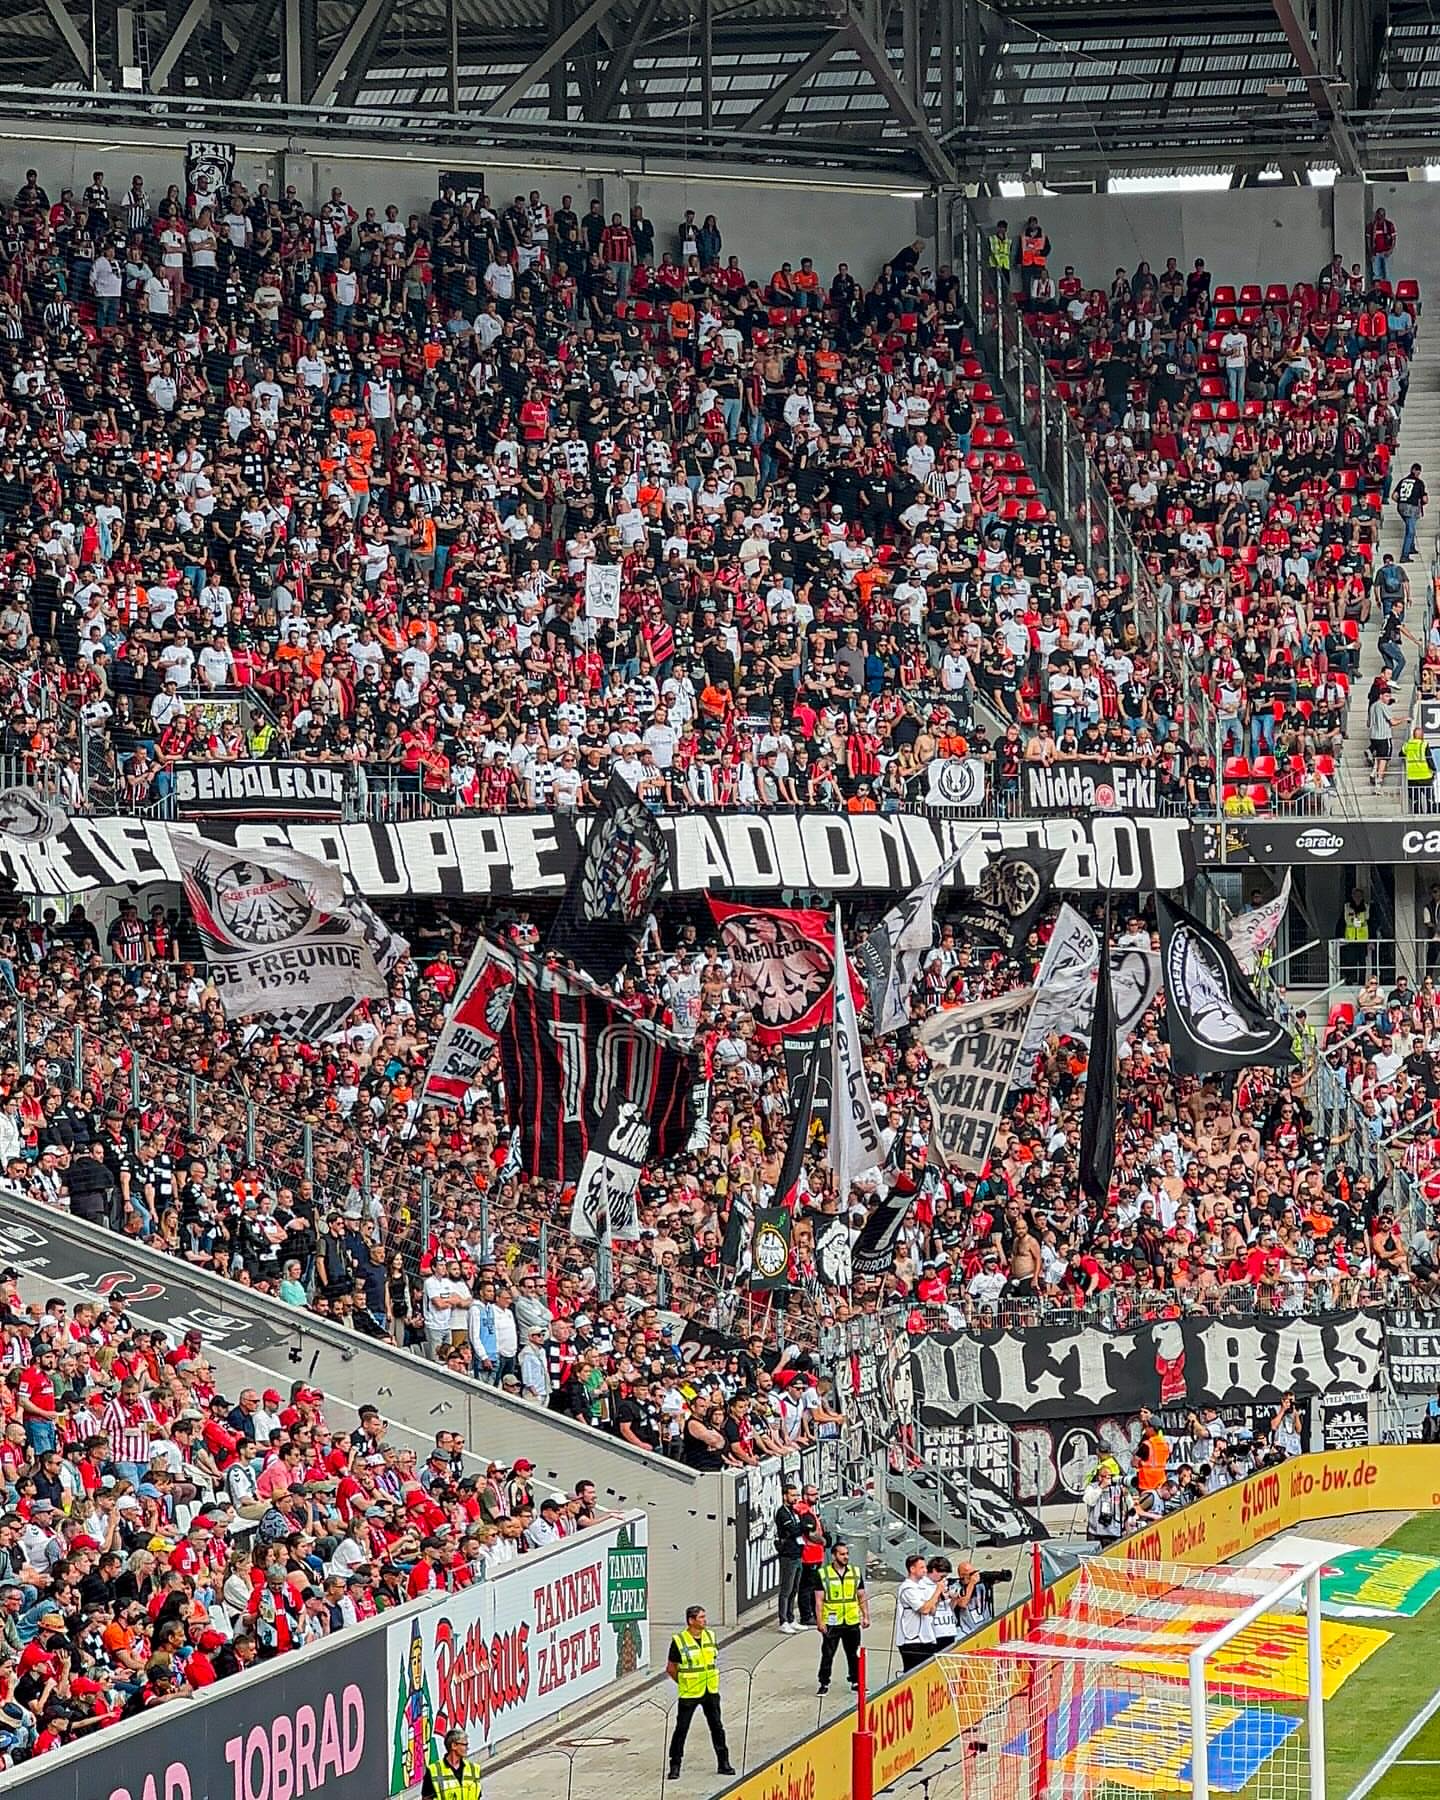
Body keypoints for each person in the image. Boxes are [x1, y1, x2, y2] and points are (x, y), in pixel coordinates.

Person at [666, 1604, 734, 1779]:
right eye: (701, 1617)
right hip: (690, 1692)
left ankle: (723, 1763)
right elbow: (671, 1668)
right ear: (691, 1620)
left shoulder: (710, 1636)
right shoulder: (679, 1641)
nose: (705, 1620)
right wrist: (683, 1682)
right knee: (681, 1729)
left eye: (704, 1616)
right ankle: (675, 1765)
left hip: (710, 1691)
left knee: (717, 1727)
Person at [815, 1540, 868, 1695]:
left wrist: (865, 1616)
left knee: (854, 1653)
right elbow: (819, 1601)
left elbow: (862, 1596)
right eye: (842, 1554)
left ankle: (856, 1681)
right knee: (828, 1654)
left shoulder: (855, 1572)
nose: (846, 1557)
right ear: (833, 1556)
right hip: (833, 1621)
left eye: (847, 1554)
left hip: (851, 1620)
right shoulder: (823, 1574)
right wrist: (820, 1621)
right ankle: (824, 1682)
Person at [894, 1551, 941, 1670]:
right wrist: (938, 1591)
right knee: (913, 1672)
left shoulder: (921, 1586)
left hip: (926, 1637)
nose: (925, 1570)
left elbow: (932, 1610)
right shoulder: (907, 1588)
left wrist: (936, 1596)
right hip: (911, 1640)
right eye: (922, 1567)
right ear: (912, 1569)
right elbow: (924, 1609)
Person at [773, 1479, 808, 1632]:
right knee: (786, 1589)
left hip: (798, 1553)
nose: (795, 1498)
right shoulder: (782, 1513)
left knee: (795, 1588)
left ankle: (791, 1617)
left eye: (797, 1495)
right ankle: (783, 1621)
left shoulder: (794, 1511)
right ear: (784, 1496)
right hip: (788, 1555)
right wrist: (804, 1525)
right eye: (792, 1495)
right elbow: (794, 1530)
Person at [422, 1727, 483, 1800]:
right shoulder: (433, 1771)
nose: (467, 1748)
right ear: (454, 1746)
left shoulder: (473, 1769)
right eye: (464, 1745)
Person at [1394, 462, 1426, 563]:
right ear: (1416, 471)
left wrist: (1401, 502)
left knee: (1410, 526)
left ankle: (1411, 547)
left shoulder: (1403, 481)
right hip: (1411, 508)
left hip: (1401, 506)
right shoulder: (1419, 482)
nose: (1418, 474)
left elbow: (1394, 495)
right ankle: (1405, 555)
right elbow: (1425, 499)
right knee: (1410, 531)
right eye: (1418, 472)